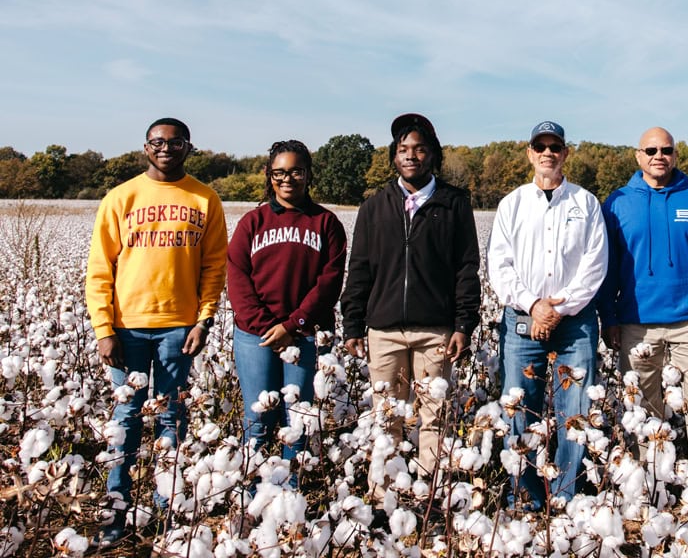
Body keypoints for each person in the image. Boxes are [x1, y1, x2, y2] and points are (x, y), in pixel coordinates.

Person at [85, 117, 228, 546]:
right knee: (125, 420)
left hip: (179, 329)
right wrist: (103, 328)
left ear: (188, 147)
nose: (166, 148)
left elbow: (214, 267)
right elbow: (99, 269)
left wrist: (204, 320)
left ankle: (167, 511)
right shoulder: (120, 197)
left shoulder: (206, 199)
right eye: (157, 142)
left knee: (172, 417)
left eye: (175, 142)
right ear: (146, 147)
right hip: (126, 329)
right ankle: (116, 510)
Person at [341, 113, 482, 485]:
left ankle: (429, 495)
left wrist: (463, 324)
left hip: (436, 331)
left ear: (433, 155)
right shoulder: (375, 207)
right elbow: (360, 269)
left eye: (419, 149)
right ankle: (384, 495)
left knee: (434, 417)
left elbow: (467, 269)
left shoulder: (454, 205)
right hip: (384, 332)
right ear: (394, 156)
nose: (411, 156)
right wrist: (353, 324)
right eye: (403, 149)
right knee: (386, 418)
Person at [599, 127, 688, 474]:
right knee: (641, 409)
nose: (658, 156)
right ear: (638, 156)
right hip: (636, 323)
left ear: (675, 155)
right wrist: (609, 317)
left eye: (666, 150)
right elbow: (607, 267)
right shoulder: (617, 203)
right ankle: (646, 486)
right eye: (651, 150)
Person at [487, 121, 608, 508]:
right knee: (519, 407)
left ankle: (565, 497)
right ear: (529, 153)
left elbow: (595, 262)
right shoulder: (512, 204)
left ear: (565, 153)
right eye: (540, 146)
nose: (548, 153)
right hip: (523, 322)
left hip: (576, 325)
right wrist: (534, 304)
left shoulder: (586, 203)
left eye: (555, 146)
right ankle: (524, 496)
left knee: (577, 412)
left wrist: (560, 307)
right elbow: (500, 264)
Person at [226, 140, 347, 468]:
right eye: (279, 172)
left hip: (305, 335)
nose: (287, 179)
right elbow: (237, 277)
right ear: (269, 175)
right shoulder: (252, 222)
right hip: (255, 336)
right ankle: (253, 492)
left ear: (308, 175)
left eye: (296, 171)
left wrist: (294, 325)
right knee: (257, 418)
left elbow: (329, 281)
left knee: (298, 419)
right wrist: (268, 327)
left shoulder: (326, 223)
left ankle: (291, 491)